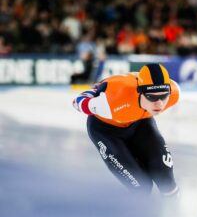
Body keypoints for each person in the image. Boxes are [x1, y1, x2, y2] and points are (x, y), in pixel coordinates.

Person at [72, 63, 180, 196]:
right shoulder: (113, 101)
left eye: (163, 96)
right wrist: (93, 91)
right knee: (141, 186)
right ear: (139, 92)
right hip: (106, 131)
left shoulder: (174, 94)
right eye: (151, 97)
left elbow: (137, 77)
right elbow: (77, 102)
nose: (159, 103)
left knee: (166, 180)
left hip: (140, 123)